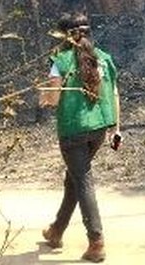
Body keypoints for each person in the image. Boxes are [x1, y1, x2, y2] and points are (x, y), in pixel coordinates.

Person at [38, 13, 121, 263]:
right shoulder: (103, 58)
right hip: (99, 129)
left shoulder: (60, 61)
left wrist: (43, 97)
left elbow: (52, 99)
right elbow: (115, 93)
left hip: (73, 130)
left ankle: (96, 242)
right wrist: (117, 128)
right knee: (73, 179)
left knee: (82, 180)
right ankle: (56, 231)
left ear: (64, 37)